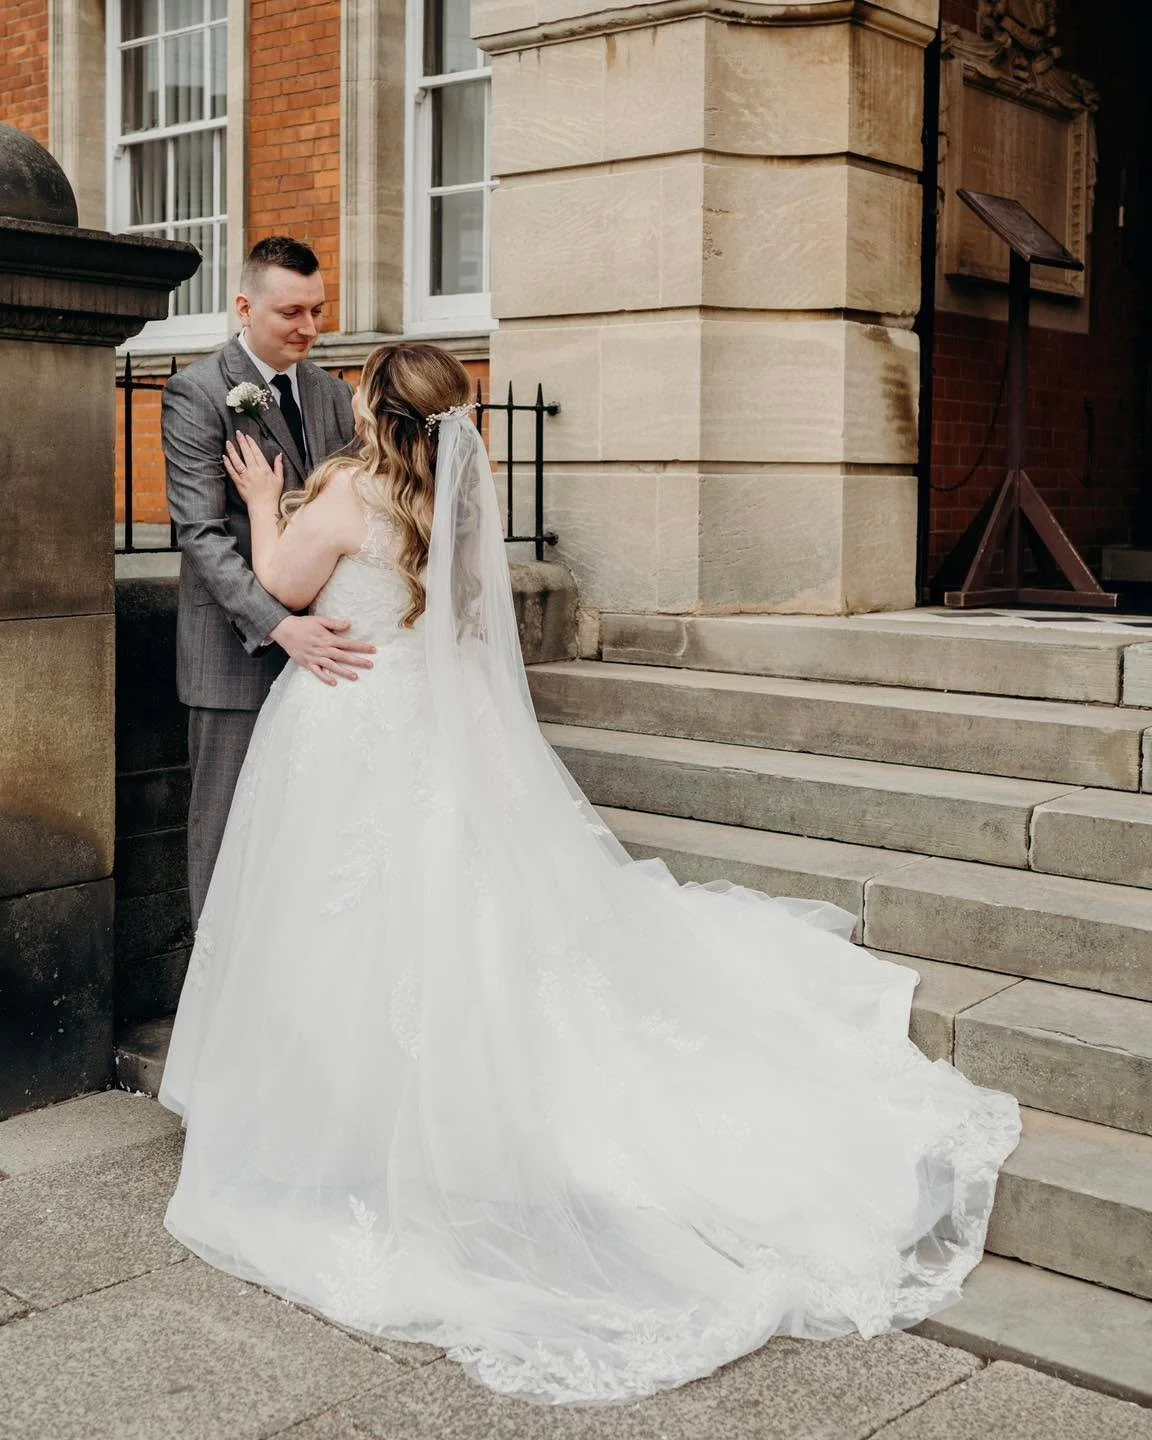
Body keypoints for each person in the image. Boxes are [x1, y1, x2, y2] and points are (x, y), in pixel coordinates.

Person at [158, 342, 1021, 1407]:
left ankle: (345, 1127)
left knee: (350, 930)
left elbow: (284, 586)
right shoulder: (459, 504)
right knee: (448, 923)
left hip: (349, 729)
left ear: (371, 409)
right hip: (429, 728)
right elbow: (471, 629)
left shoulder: (343, 496)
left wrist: (256, 503)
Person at [162, 235, 374, 927]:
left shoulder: (334, 395)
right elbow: (201, 536)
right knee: (226, 834)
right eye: (292, 313)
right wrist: (281, 625)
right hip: (237, 652)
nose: (311, 327)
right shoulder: (196, 392)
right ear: (245, 306)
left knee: (315, 832)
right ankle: (217, 1009)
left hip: (332, 654)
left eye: (318, 309)